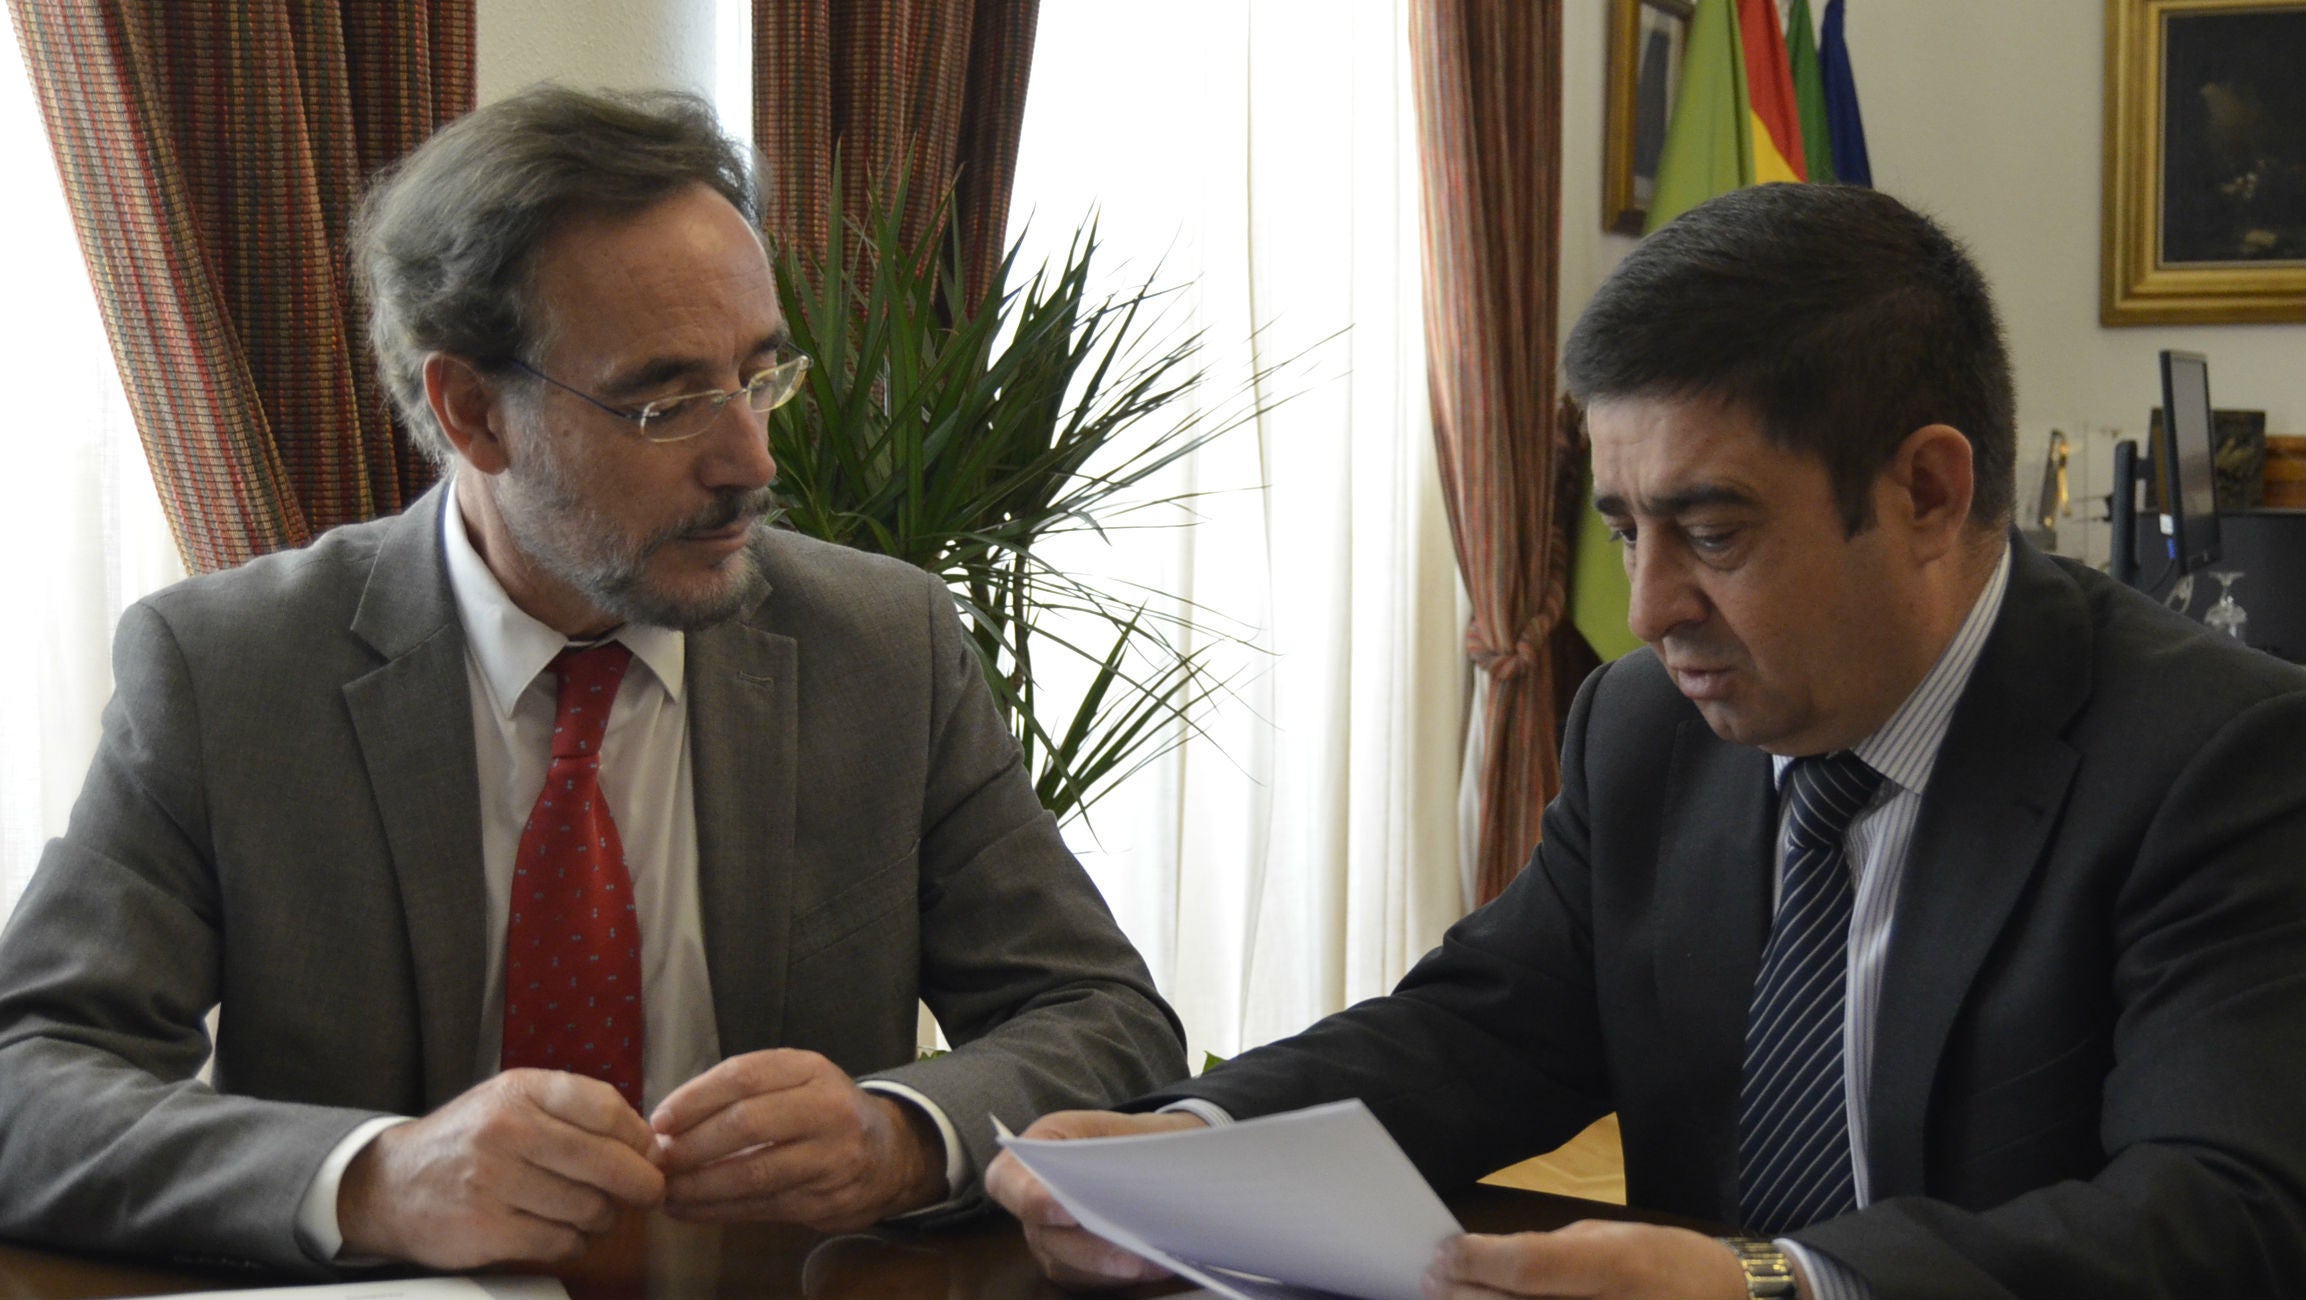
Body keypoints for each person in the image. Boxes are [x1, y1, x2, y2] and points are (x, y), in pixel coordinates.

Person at [987, 183, 2306, 1300]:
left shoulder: (2216, 759)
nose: (1648, 608)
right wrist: (1179, 1149)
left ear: (1925, 491)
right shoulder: (1646, 730)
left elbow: (2219, 1214)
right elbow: (1487, 1033)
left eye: (1713, 532)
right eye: (1624, 528)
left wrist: (1775, 1281)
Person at [0, 86, 1185, 1275]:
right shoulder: (230, 672)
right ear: (471, 411)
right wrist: (370, 1176)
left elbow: (1108, 1021)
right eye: (665, 402)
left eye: (760, 375)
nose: (750, 459)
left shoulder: (881, 648)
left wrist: (900, 1135)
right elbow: (26, 1077)